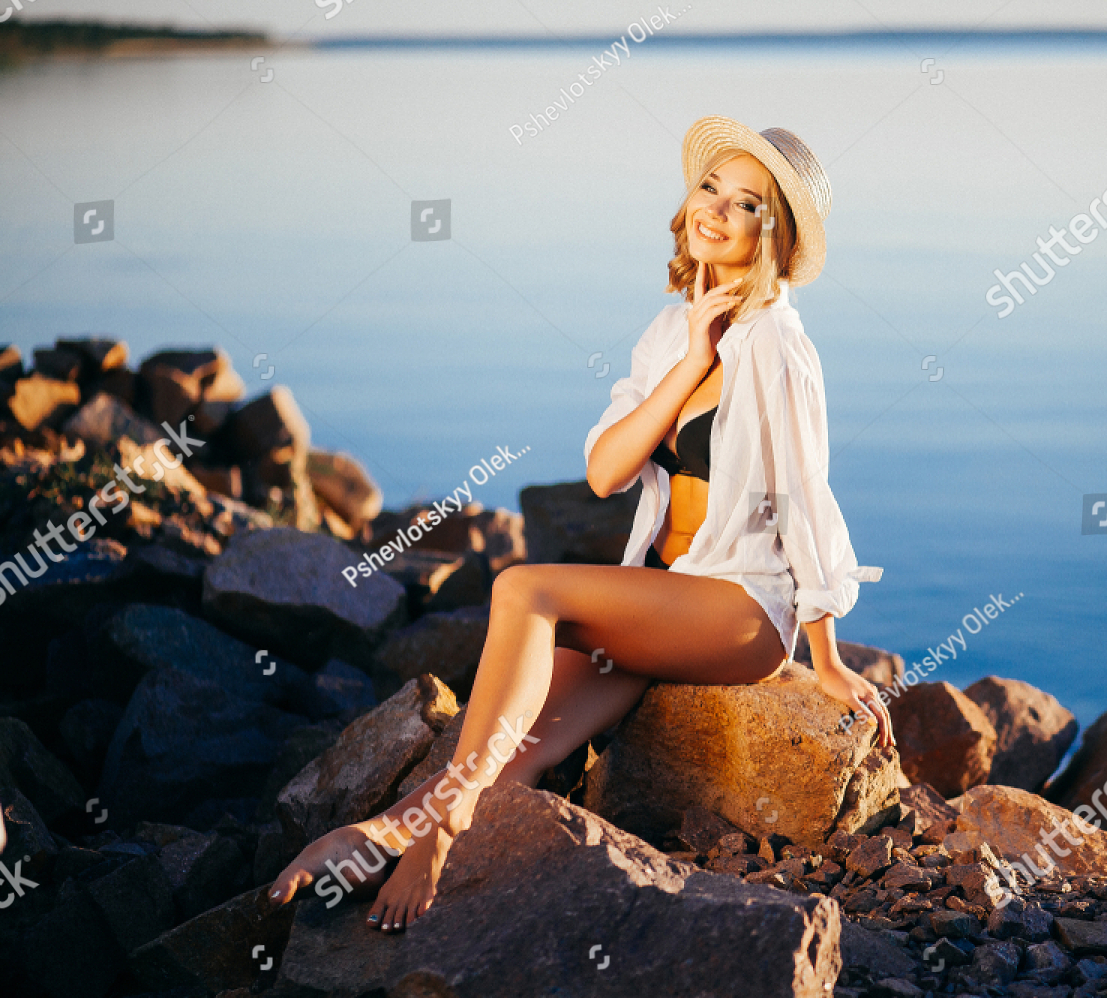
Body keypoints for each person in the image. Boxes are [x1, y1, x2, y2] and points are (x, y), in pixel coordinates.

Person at [270, 115, 889, 932]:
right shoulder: (674, 328)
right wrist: (692, 363)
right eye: (710, 187)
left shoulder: (778, 341)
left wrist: (827, 658)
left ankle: (442, 829)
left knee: (525, 588)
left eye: (744, 204)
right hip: (663, 599)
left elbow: (807, 492)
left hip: (740, 611)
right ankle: (377, 835)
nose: (714, 209)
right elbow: (605, 468)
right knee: (521, 737)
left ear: (768, 232)